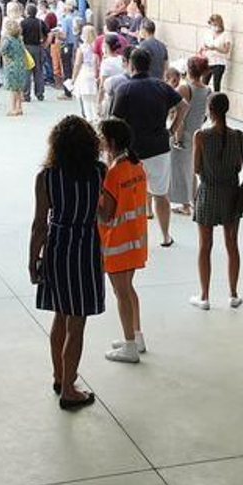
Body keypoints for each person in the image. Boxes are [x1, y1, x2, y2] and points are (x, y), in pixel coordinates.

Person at [29, 116, 105, 409]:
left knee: (60, 315)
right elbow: (104, 210)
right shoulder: (99, 172)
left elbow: (39, 225)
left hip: (57, 248)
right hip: (85, 247)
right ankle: (69, 389)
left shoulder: (46, 178)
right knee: (77, 322)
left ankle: (60, 376)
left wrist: (32, 260)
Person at [109, 47, 186, 249]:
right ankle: (165, 236)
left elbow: (114, 122)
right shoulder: (161, 86)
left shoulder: (124, 89)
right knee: (161, 195)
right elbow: (183, 105)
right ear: (150, 65)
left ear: (131, 65)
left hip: (132, 151)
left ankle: (137, 237)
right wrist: (172, 129)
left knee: (133, 197)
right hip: (159, 147)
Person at [97, 117, 150, 364]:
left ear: (111, 142)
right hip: (135, 240)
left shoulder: (114, 173)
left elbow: (106, 212)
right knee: (129, 289)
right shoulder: (136, 166)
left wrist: (93, 198)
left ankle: (129, 345)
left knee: (121, 292)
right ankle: (136, 336)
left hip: (117, 243)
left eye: (102, 136)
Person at [191, 91, 243, 311]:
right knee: (232, 244)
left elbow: (196, 168)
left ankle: (204, 296)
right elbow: (239, 166)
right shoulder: (238, 135)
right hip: (231, 194)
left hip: (208, 193)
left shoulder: (201, 136)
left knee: (205, 246)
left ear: (210, 110)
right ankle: (233, 293)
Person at [168, 60, 207, 216]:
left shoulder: (185, 88)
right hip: (197, 132)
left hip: (182, 133)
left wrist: (175, 135)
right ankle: (195, 200)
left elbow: (175, 110)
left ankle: (185, 204)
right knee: (190, 169)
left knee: (180, 169)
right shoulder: (206, 89)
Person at [0, 17, 29, 117]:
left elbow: (2, 50)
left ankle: (13, 109)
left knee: (13, 89)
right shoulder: (20, 40)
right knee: (19, 88)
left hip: (12, 65)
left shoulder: (8, 39)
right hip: (21, 64)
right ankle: (19, 108)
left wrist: (6, 57)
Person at [73, 24, 100, 121]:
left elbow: (77, 65)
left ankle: (89, 120)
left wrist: (73, 78)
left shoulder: (82, 49)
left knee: (86, 102)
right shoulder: (98, 47)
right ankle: (96, 119)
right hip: (95, 74)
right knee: (95, 101)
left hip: (84, 73)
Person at [20, 4, 47, 102]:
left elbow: (19, 35)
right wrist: (45, 45)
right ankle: (40, 93)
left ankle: (26, 94)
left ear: (27, 12)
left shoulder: (23, 23)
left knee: (26, 71)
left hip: (26, 48)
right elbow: (48, 33)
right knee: (38, 71)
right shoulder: (40, 22)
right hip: (38, 48)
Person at [98, 34, 128, 113]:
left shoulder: (106, 62)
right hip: (125, 94)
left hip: (111, 96)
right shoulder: (122, 58)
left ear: (106, 46)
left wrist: (99, 102)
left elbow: (102, 85)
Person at [201, 14, 231, 92]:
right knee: (204, 84)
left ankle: (216, 102)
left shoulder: (225, 35)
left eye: (215, 24)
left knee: (216, 85)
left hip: (219, 63)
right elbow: (203, 46)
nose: (213, 26)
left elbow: (226, 50)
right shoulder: (208, 34)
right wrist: (204, 49)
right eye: (211, 24)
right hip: (208, 61)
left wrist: (215, 48)